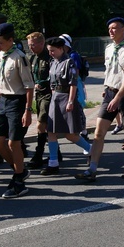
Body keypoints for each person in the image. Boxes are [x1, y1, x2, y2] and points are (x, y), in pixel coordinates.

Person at [75, 17, 124, 182]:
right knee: (99, 132)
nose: (111, 31)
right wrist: (107, 89)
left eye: (114, 28)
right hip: (110, 93)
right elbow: (109, 71)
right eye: (109, 28)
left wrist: (118, 98)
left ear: (123, 29)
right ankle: (92, 169)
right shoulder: (109, 48)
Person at [0, 23, 34, 198]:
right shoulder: (1, 55)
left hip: (17, 101)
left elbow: (29, 86)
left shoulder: (19, 57)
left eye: (0, 42)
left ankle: (18, 182)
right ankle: (20, 170)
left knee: (13, 143)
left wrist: (28, 110)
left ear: (10, 40)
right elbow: (0, 82)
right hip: (2, 101)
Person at [43, 36, 91, 175]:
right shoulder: (53, 62)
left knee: (70, 134)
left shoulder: (69, 62)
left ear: (60, 48)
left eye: (52, 50)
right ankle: (53, 163)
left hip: (66, 98)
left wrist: (70, 101)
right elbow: (52, 82)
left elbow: (73, 84)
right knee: (51, 131)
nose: (50, 53)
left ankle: (90, 149)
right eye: (49, 50)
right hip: (55, 98)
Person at [25, 32, 53, 169]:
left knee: (41, 124)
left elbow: (54, 75)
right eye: (29, 45)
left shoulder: (49, 57)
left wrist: (42, 82)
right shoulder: (32, 58)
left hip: (49, 94)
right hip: (38, 94)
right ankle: (56, 153)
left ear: (42, 43)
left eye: (33, 44)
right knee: (46, 126)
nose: (31, 47)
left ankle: (38, 155)